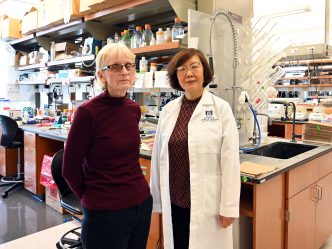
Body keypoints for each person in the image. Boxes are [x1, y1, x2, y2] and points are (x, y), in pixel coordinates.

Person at [63, 43, 152, 249]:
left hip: (140, 205)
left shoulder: (133, 109)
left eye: (129, 66)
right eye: (115, 67)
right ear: (101, 75)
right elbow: (70, 168)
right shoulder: (87, 113)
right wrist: (93, 198)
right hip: (105, 213)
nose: (124, 71)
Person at [150, 48, 240, 249]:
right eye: (182, 69)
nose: (188, 73)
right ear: (176, 77)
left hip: (209, 204)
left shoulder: (221, 109)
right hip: (174, 201)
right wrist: (156, 200)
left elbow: (231, 162)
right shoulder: (168, 111)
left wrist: (229, 207)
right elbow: (158, 157)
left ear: (204, 72)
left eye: (194, 67)